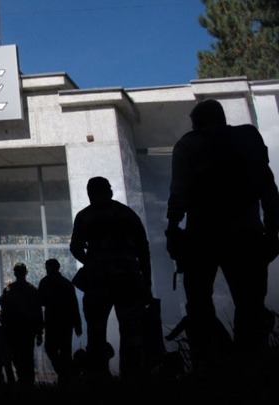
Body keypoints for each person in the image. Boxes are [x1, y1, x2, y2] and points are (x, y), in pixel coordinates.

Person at [166, 99, 279, 371]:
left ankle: (209, 365)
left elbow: (179, 193)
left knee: (199, 304)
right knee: (250, 304)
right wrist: (272, 230)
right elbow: (267, 187)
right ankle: (252, 366)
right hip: (246, 233)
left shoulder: (188, 145)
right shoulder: (248, 138)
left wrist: (173, 230)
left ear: (197, 123)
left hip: (202, 236)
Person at [69, 176, 152, 381]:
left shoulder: (85, 216)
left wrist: (91, 261)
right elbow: (143, 248)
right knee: (131, 330)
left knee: (96, 332)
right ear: (110, 191)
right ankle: (132, 378)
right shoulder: (126, 213)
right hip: (128, 279)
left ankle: (99, 378)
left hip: (98, 280)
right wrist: (146, 281)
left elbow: (75, 247)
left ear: (90, 194)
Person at [37, 258, 83, 388]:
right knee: (65, 352)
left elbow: (40, 301)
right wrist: (77, 324)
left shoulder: (45, 282)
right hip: (65, 323)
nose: (46, 270)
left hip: (53, 322)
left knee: (52, 349)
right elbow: (74, 305)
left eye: (47, 267)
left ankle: (64, 375)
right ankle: (66, 377)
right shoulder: (66, 283)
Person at [0, 262, 43, 388]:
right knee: (27, 357)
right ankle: (28, 382)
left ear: (15, 273)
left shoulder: (9, 290)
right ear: (26, 273)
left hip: (14, 331)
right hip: (27, 331)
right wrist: (39, 332)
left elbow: (4, 311)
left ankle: (23, 382)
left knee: (17, 357)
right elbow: (38, 313)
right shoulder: (32, 290)